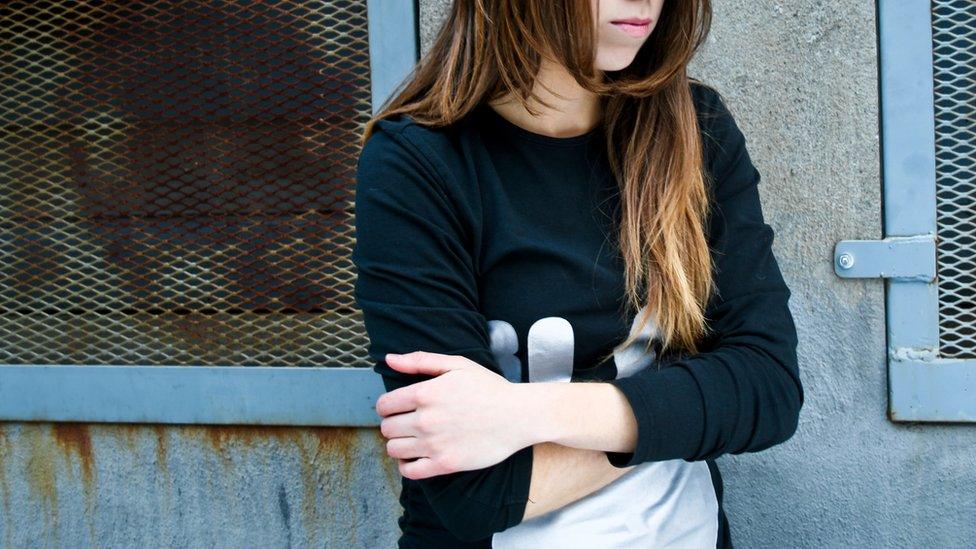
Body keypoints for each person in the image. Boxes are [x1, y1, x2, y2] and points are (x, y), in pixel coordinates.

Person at [351, 0, 803, 547]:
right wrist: (684, 403)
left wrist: (521, 414)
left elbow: (769, 389)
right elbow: (476, 496)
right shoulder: (418, 165)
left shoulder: (693, 131)